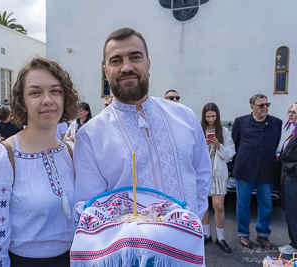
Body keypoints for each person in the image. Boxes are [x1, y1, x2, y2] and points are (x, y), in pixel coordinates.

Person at [74, 27, 212, 220]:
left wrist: (189, 221)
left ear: (148, 64)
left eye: (135, 57)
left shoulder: (185, 116)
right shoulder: (90, 136)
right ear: (106, 71)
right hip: (128, 249)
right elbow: (92, 206)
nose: (127, 67)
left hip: (187, 243)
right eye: (116, 60)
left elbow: (202, 175)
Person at [0, 57, 79, 267]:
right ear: (22, 101)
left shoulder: (72, 153)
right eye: (35, 92)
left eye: (55, 91)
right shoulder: (2, 158)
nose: (47, 100)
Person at [232, 94, 282, 249]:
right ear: (251, 106)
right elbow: (236, 143)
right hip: (245, 168)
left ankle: (262, 235)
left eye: (267, 104)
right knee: (243, 204)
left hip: (267, 169)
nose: (265, 107)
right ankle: (243, 234)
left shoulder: (276, 123)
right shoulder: (240, 122)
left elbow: (275, 144)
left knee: (266, 204)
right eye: (261, 105)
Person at [200, 103, 235, 253]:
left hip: (218, 172)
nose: (210, 119)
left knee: (218, 205)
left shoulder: (224, 131)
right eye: (208, 116)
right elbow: (193, 150)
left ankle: (220, 238)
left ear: (217, 115)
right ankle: (206, 234)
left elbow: (231, 152)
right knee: (203, 205)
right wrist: (204, 145)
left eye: (213, 116)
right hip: (203, 172)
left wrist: (218, 146)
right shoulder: (199, 129)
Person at [278, 103, 297, 255]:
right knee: (289, 212)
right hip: (287, 179)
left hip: (294, 179)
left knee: (293, 213)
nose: (290, 115)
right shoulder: (293, 134)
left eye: (294, 112)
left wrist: (290, 166)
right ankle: (294, 242)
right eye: (289, 112)